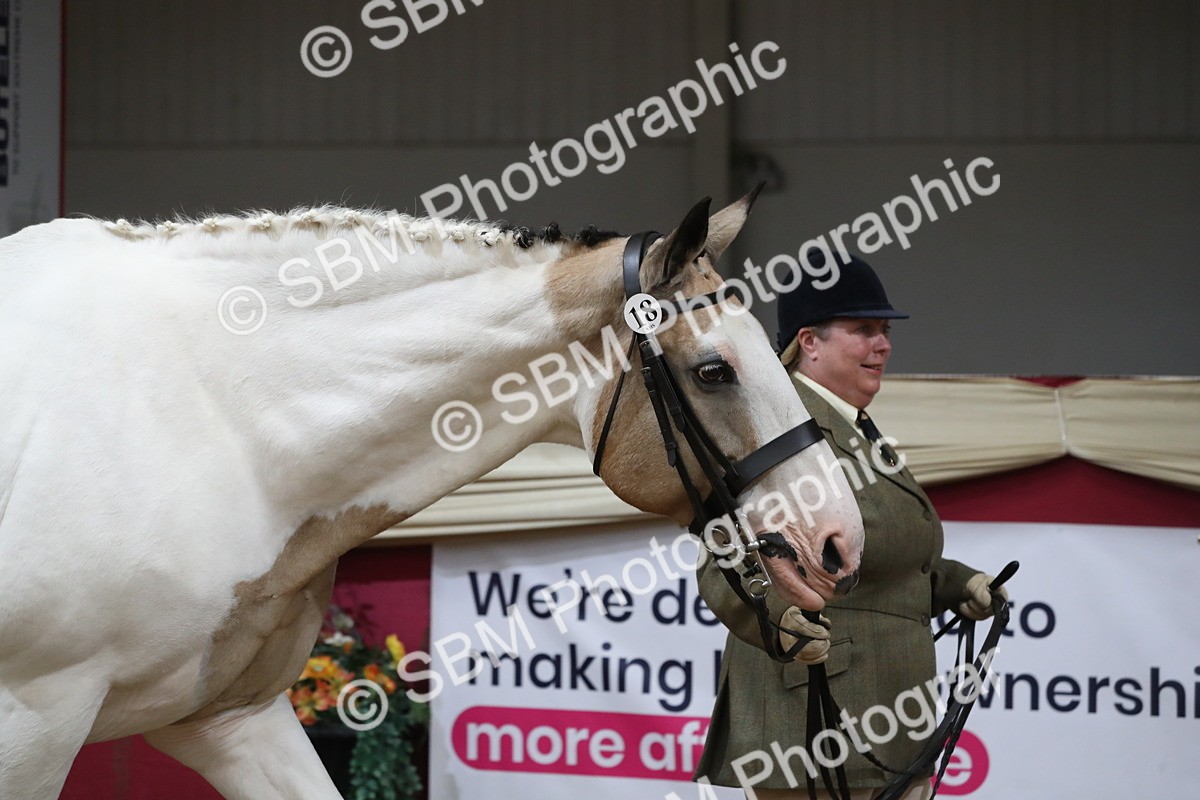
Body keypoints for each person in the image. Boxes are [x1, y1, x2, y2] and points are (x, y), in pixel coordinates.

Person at [693, 250, 1005, 800]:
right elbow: (726, 560)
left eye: (884, 330)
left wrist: (957, 584)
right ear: (809, 341)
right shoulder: (771, 430)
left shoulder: (853, 426)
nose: (882, 344)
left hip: (889, 727)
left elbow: (881, 556)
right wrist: (781, 620)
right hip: (811, 727)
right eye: (863, 329)